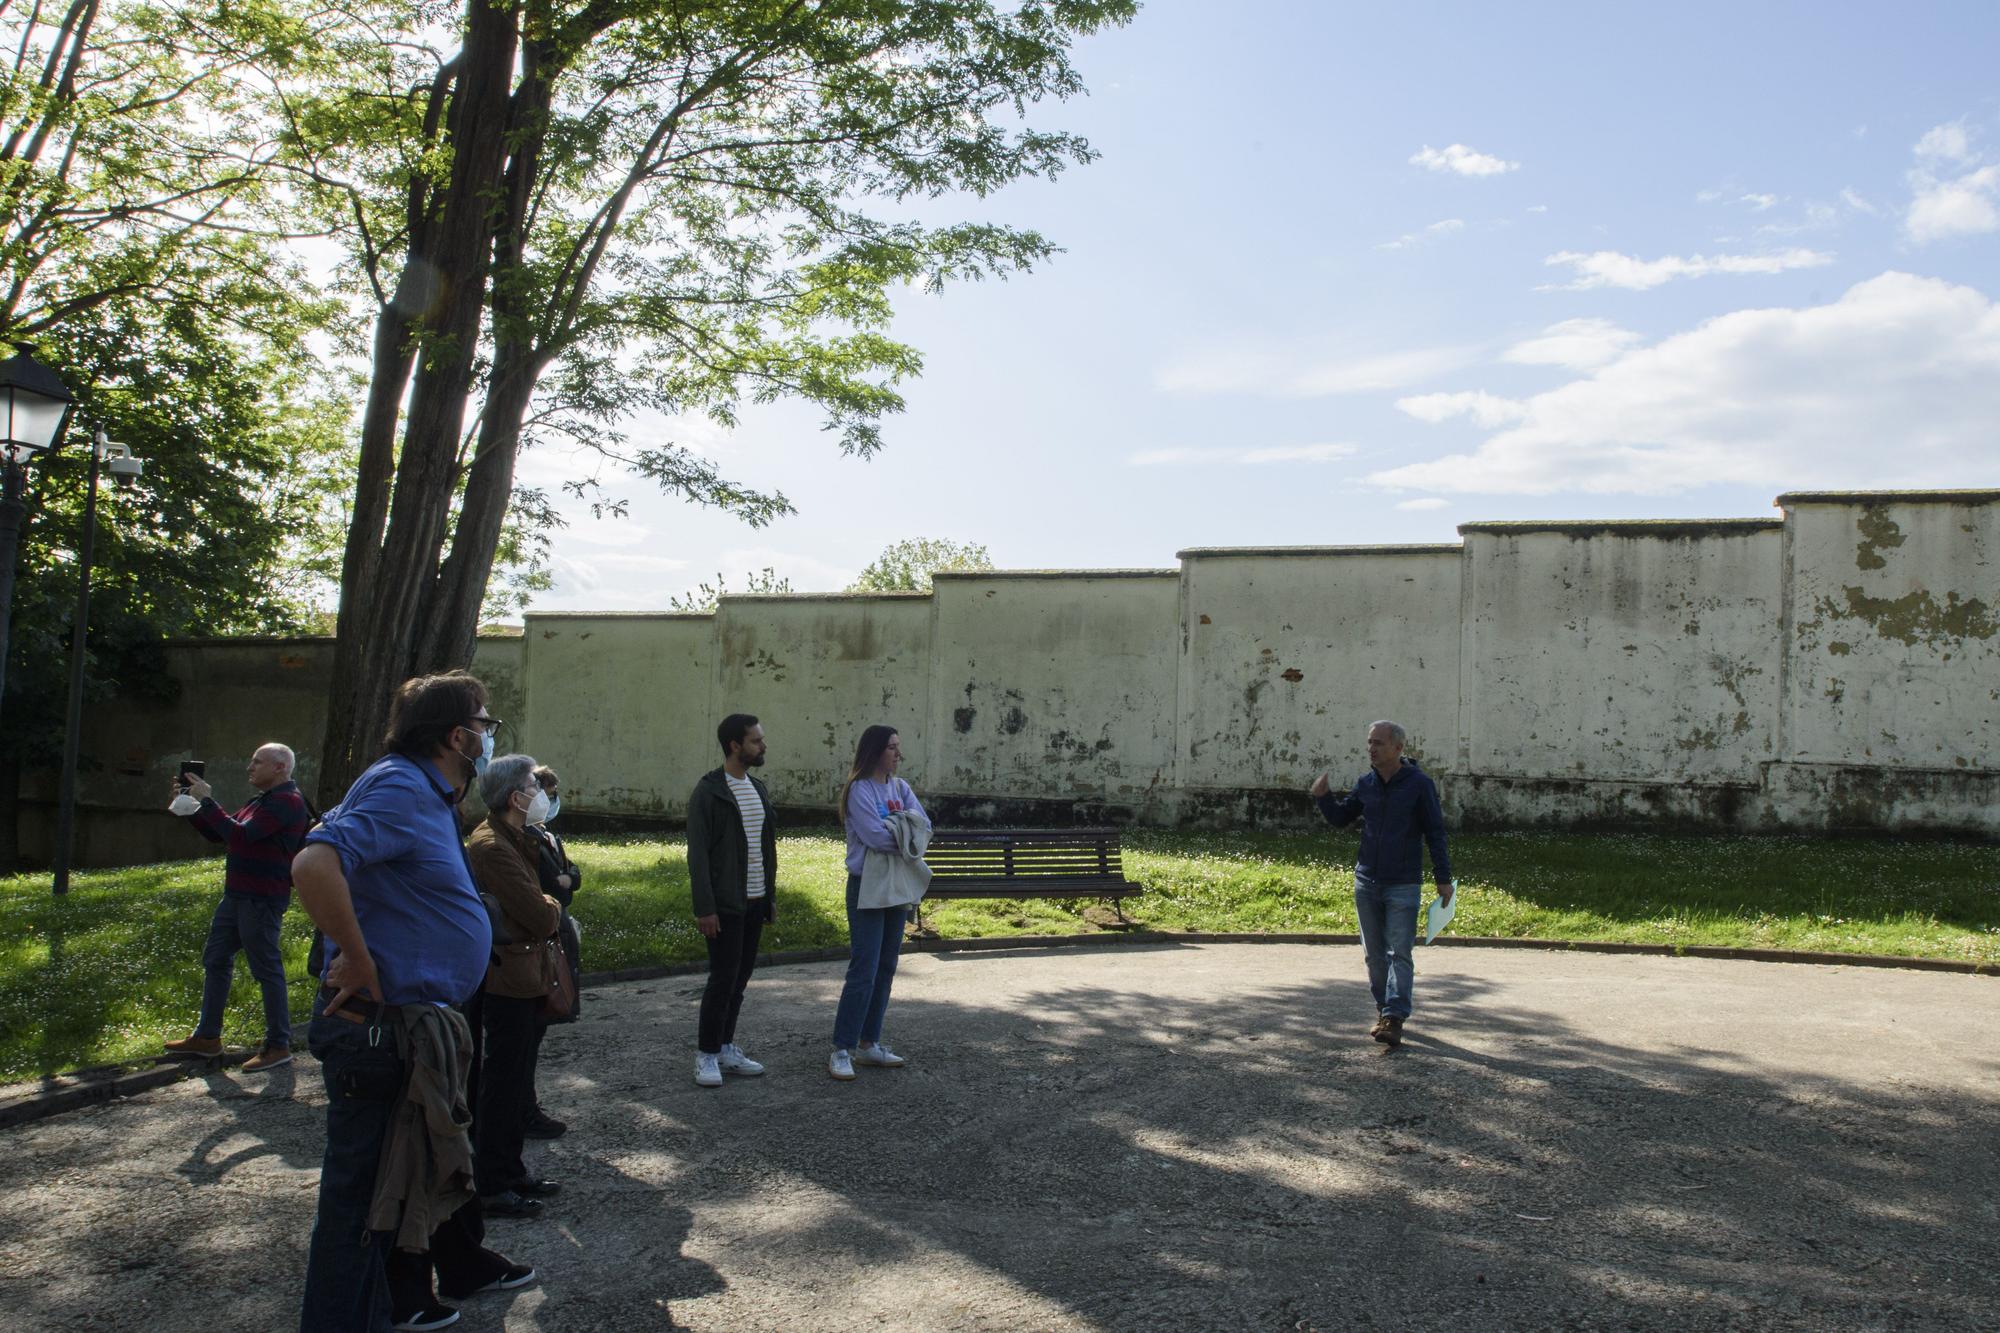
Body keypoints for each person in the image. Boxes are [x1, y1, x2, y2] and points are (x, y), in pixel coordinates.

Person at [292, 672, 534, 1333]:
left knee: (397, 1190)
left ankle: (403, 1300)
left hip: (412, 1023)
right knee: (359, 1204)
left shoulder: (427, 793)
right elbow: (314, 864)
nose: (488, 739)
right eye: (484, 727)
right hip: (379, 1027)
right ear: (457, 736)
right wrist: (358, 954)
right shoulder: (399, 785)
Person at [162, 743, 311, 1072]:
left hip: (260, 899)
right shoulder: (262, 800)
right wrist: (190, 808)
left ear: (280, 768)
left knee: (266, 970)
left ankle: (278, 1044)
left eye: (257, 761)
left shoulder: (287, 801)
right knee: (215, 958)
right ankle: (207, 1037)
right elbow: (225, 835)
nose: (250, 766)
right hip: (237, 896)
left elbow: (244, 837)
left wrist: (208, 801)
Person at [1310, 719, 1454, 1050]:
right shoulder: (1367, 783)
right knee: (1374, 956)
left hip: (1403, 883)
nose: (1371, 749)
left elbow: (1435, 832)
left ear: (1399, 748)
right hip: (1367, 880)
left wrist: (1442, 879)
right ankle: (1384, 1010)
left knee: (1399, 951)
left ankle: (1395, 1015)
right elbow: (1342, 818)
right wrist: (1323, 798)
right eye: (1369, 743)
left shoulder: (1419, 785)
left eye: (1378, 743)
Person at [463, 755, 564, 1217]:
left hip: (522, 972)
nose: (538, 790)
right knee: (501, 1084)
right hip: (507, 977)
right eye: (531, 784)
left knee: (514, 1078)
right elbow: (542, 911)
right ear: (513, 796)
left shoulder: (514, 838)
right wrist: (550, 904)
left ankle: (510, 1169)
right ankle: (493, 1182)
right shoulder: (491, 847)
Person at [829, 725, 927, 1081]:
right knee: (864, 968)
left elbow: (924, 828)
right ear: (874, 752)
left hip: (896, 885)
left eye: (899, 747)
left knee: (886, 965)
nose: (898, 754)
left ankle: (869, 1043)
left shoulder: (901, 788)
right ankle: (842, 1047)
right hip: (867, 885)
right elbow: (873, 837)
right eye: (891, 748)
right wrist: (904, 829)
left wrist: (898, 827)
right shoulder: (859, 790)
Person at [685, 713, 776, 1088]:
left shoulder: (758, 789)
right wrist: (705, 908)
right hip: (724, 904)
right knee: (722, 980)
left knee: (739, 980)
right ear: (735, 746)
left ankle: (725, 1046)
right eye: (755, 740)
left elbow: (764, 848)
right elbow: (698, 855)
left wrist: (769, 896)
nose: (762, 746)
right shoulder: (709, 792)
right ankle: (706, 1055)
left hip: (754, 900)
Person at [522, 765, 579, 1140]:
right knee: (522, 1037)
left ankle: (525, 1106)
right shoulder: (519, 840)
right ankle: (521, 1110)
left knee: (535, 1035)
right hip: (532, 948)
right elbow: (545, 889)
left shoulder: (547, 837)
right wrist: (560, 887)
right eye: (541, 789)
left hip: (552, 939)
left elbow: (572, 876)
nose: (547, 797)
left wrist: (567, 881)